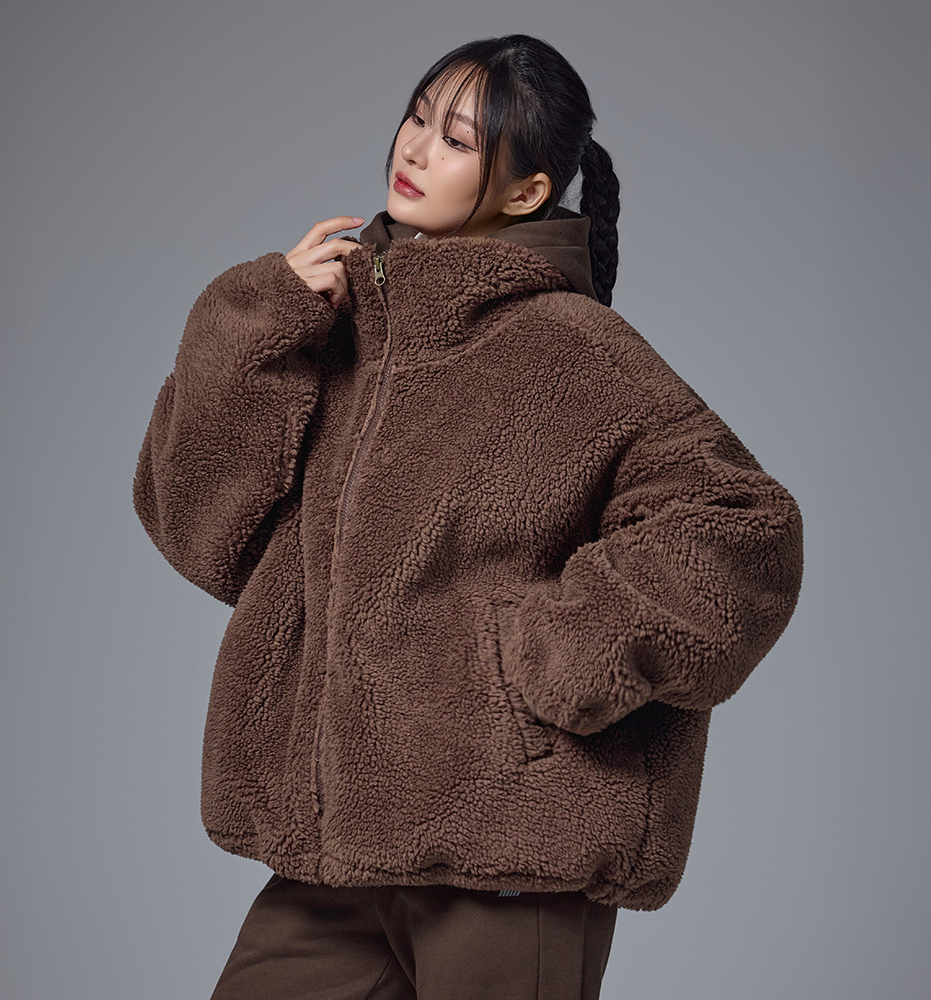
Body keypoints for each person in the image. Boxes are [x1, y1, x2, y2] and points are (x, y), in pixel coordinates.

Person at [133, 34, 804, 1000]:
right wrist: (254, 324)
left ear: (528, 192)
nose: (414, 148)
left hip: (509, 851)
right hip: (338, 848)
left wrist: (556, 660)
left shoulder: (571, 347)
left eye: (456, 140)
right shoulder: (340, 333)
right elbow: (200, 527)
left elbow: (741, 525)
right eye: (417, 117)